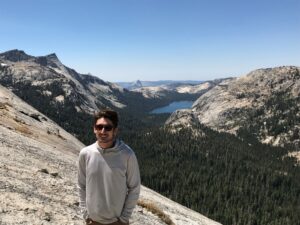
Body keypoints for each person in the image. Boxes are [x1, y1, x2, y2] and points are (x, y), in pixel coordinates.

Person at [78, 109, 141, 225]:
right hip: (92, 221)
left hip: (116, 222)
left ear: (115, 130)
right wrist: (86, 216)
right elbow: (81, 186)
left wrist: (123, 220)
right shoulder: (85, 154)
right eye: (99, 127)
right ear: (94, 129)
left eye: (108, 127)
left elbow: (135, 188)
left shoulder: (127, 155)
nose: (103, 131)